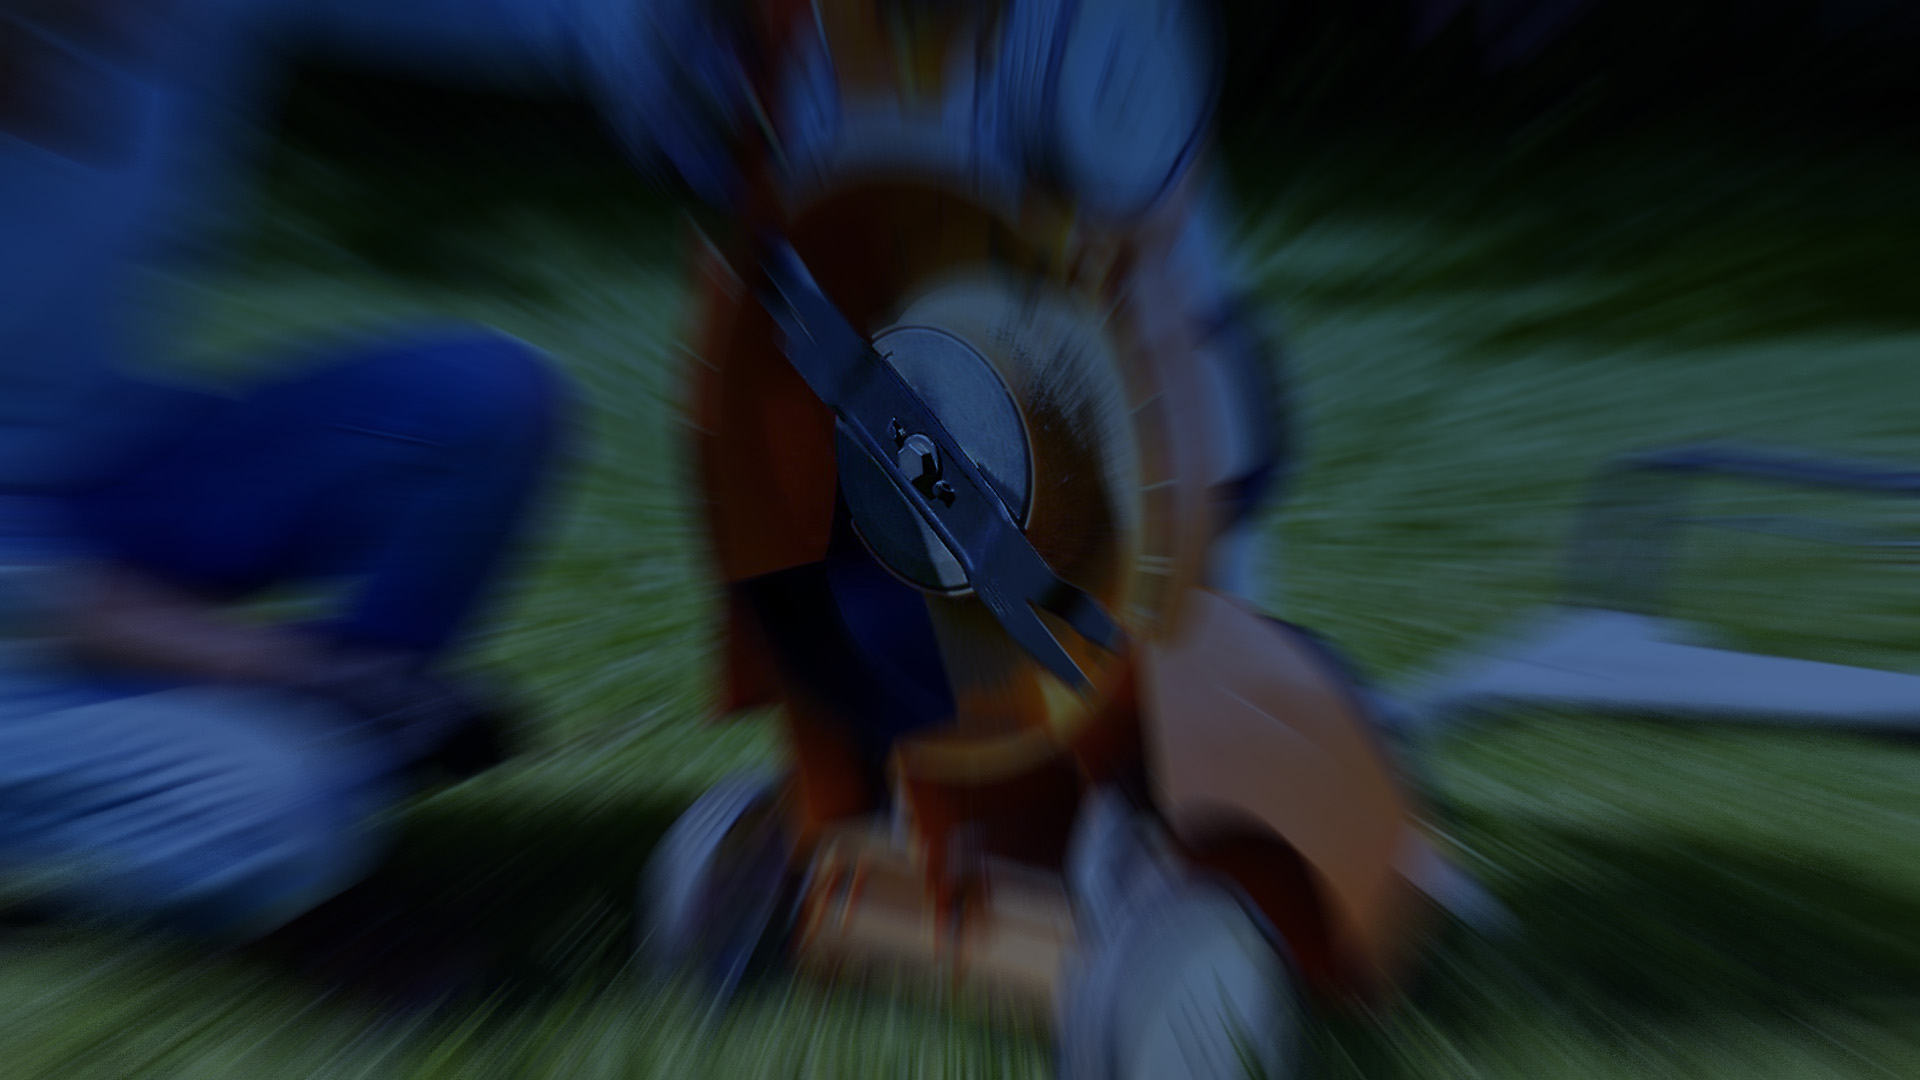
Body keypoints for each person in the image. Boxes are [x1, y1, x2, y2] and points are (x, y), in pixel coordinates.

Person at [0, 0, 751, 939]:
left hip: (114, 475)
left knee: (477, 401)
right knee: (268, 811)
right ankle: (284, 810)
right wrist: (295, 667)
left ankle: (331, 773)